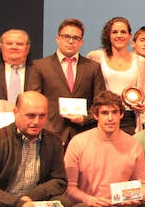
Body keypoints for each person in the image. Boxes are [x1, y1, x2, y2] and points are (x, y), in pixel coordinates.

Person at [26, 18, 106, 147]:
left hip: (83, 134)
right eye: (66, 36)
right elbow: (33, 102)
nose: (70, 41)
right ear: (58, 38)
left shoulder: (93, 67)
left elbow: (100, 102)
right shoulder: (40, 66)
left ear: (81, 42)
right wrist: (46, 128)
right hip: (49, 133)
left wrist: (85, 119)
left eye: (76, 38)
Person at [86, 17, 145, 135]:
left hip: (129, 119)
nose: (119, 35)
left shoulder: (140, 61)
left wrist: (142, 107)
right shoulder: (95, 57)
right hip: (103, 117)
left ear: (130, 36)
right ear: (108, 35)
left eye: (123, 32)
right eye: (115, 32)